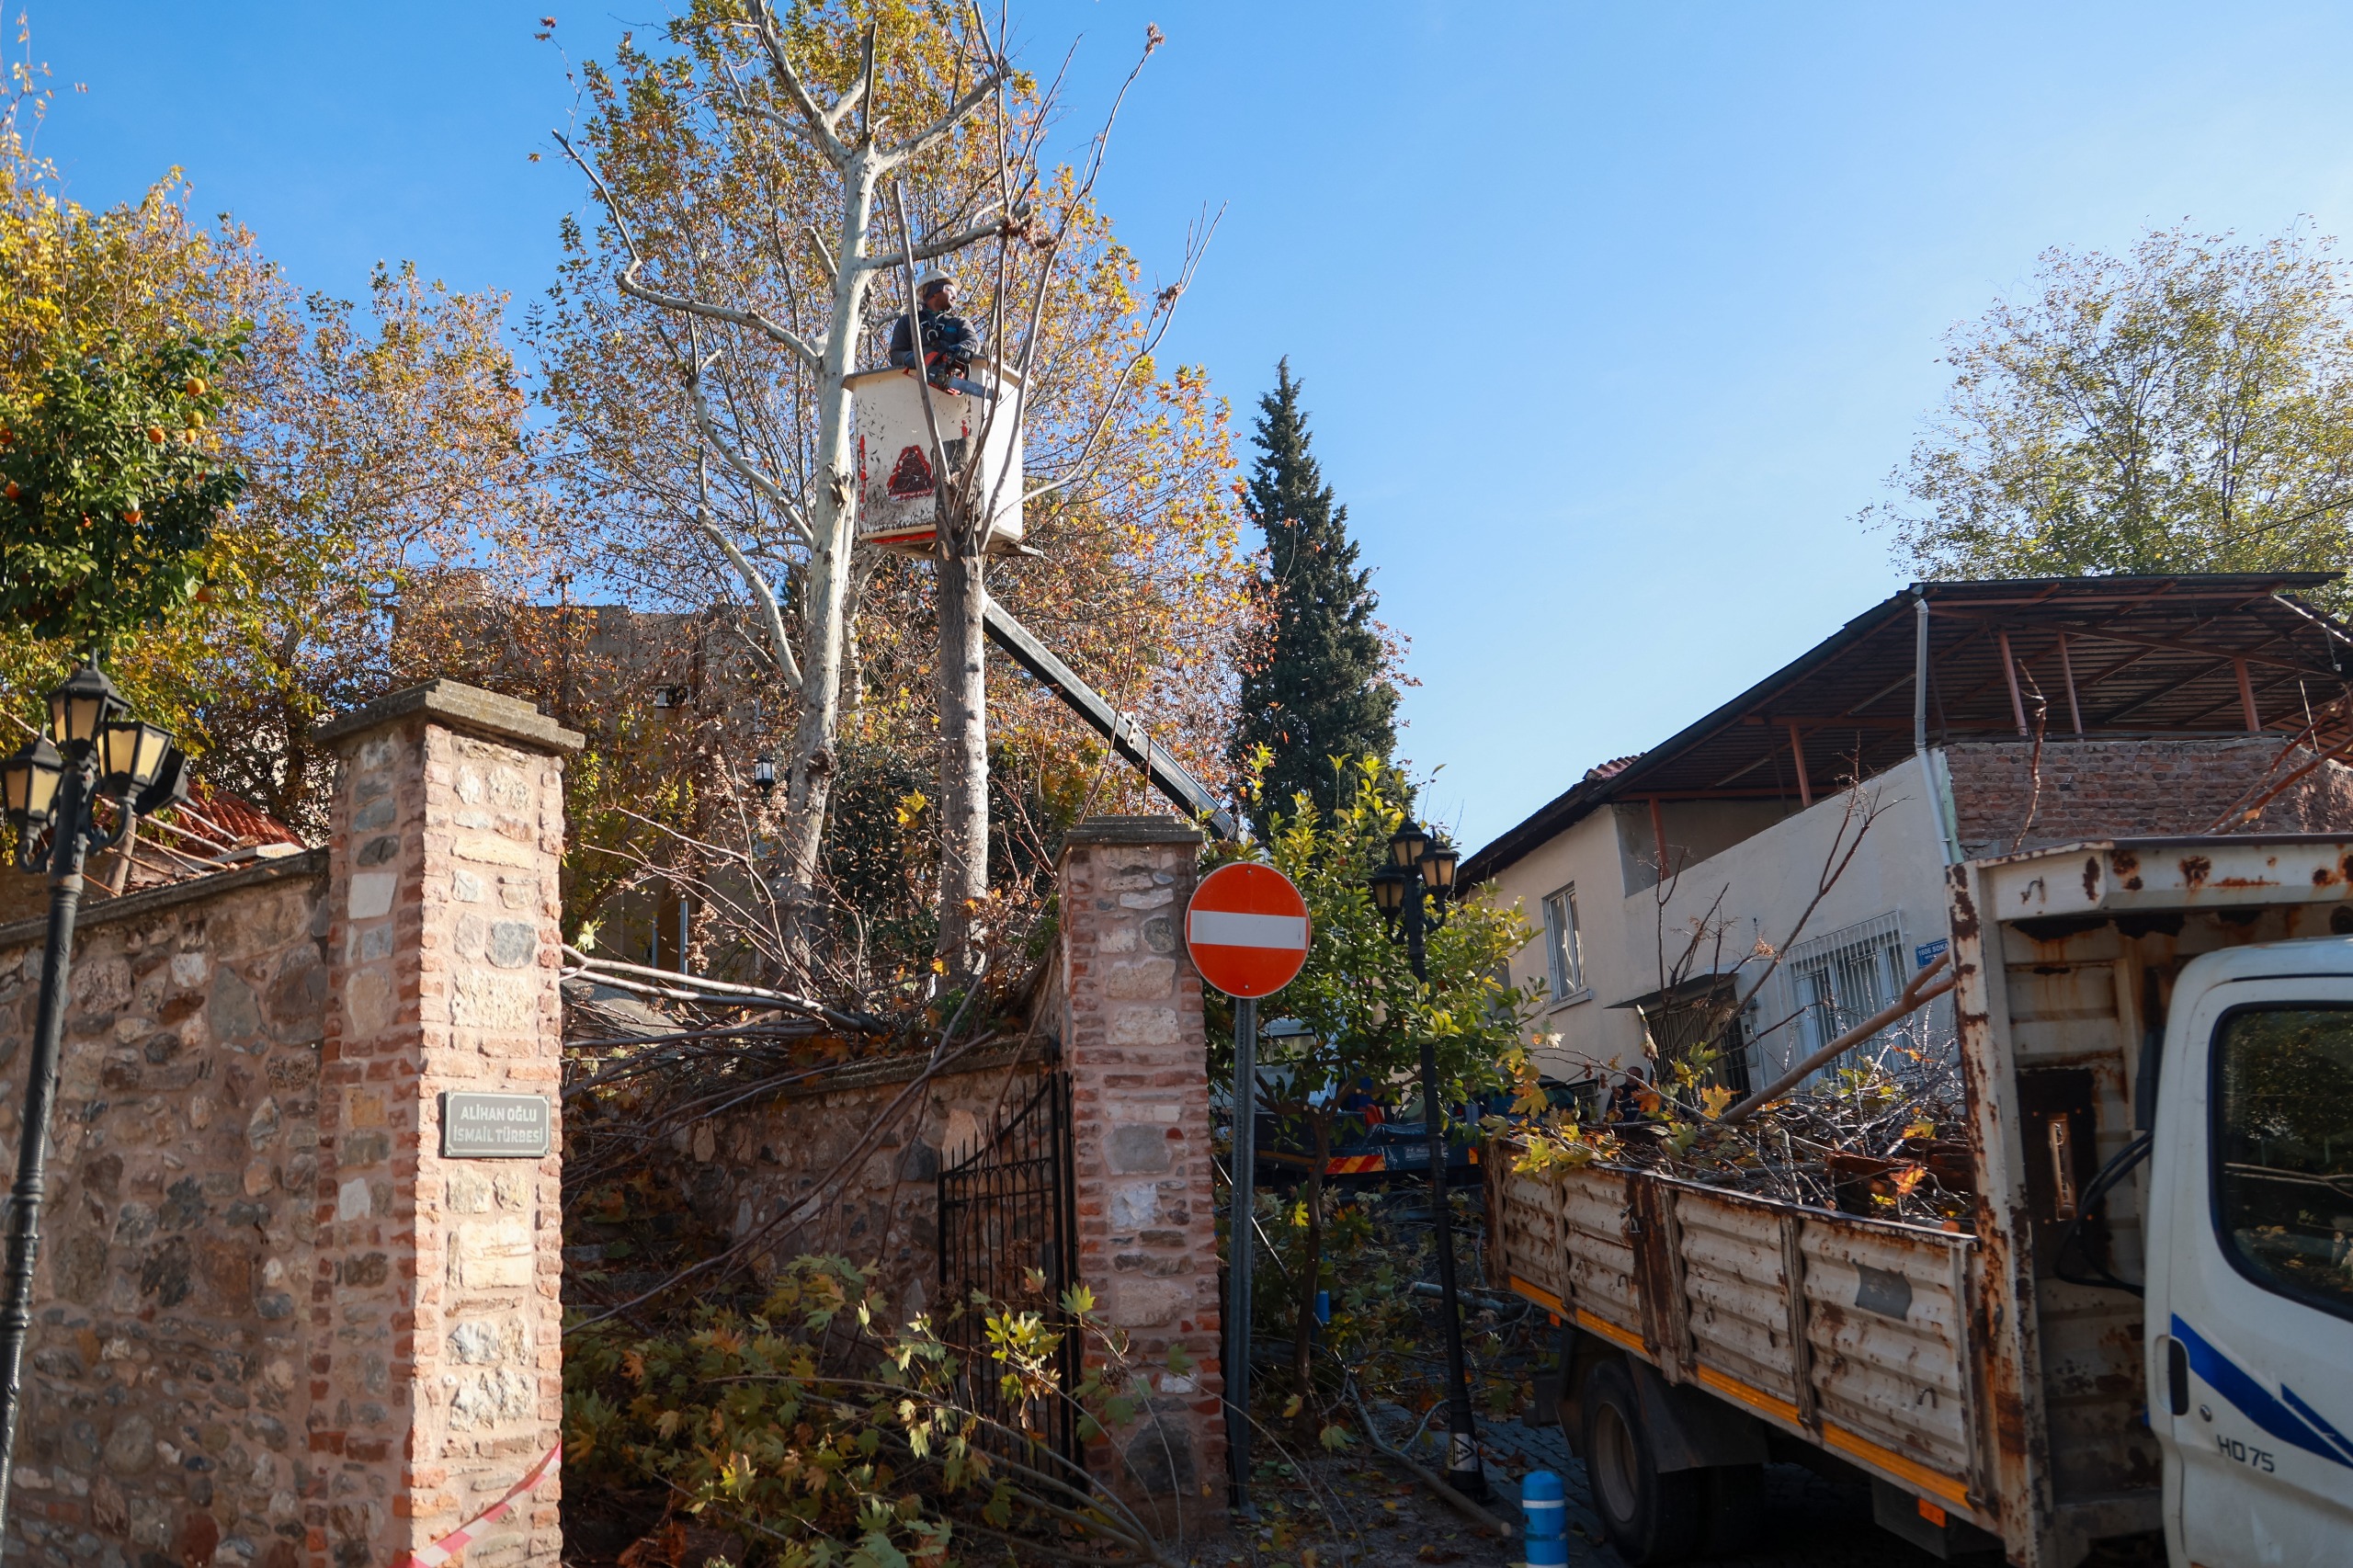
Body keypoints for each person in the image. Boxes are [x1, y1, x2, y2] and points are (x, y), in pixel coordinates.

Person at [888, 267, 994, 399]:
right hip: (915, 389)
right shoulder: (908, 321)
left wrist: (957, 350)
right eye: (950, 289)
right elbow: (896, 354)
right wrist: (912, 358)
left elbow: (973, 342)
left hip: (949, 378)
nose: (955, 296)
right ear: (934, 291)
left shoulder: (959, 323)